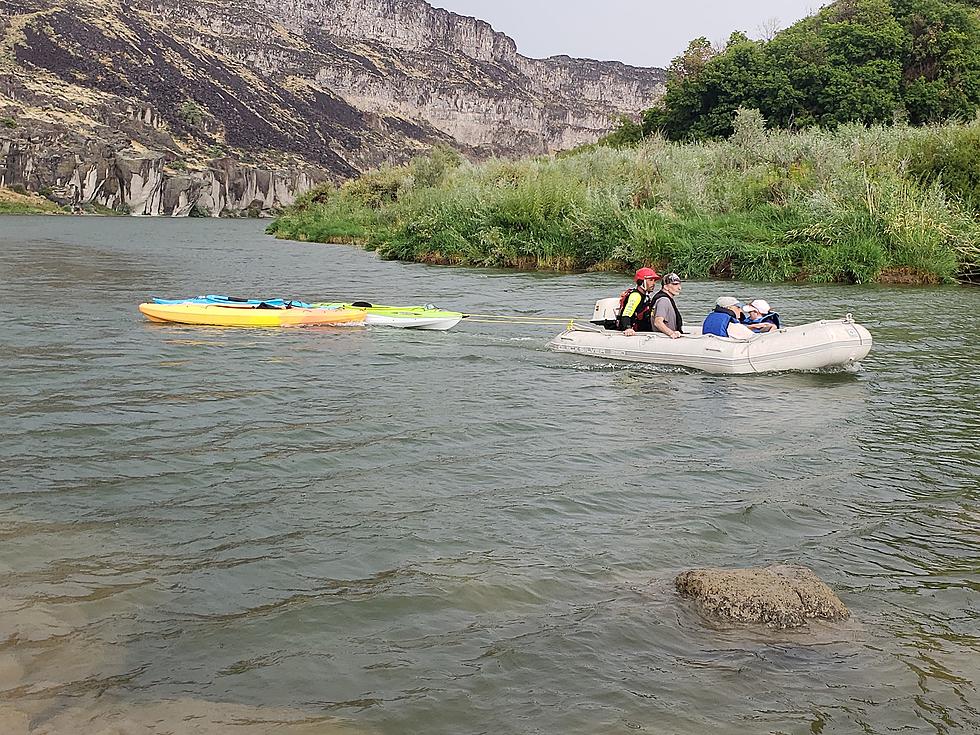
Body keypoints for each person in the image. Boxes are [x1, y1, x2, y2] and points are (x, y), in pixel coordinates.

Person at [619, 267, 659, 336]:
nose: (653, 283)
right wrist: (628, 328)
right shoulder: (635, 296)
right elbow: (626, 314)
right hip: (635, 332)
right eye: (650, 280)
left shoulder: (645, 296)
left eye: (654, 280)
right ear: (641, 281)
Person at [650, 272, 684, 339]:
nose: (679, 288)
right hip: (663, 338)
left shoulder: (665, 298)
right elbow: (658, 322)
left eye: (679, 284)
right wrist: (671, 333)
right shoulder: (663, 300)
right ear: (665, 287)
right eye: (675, 284)